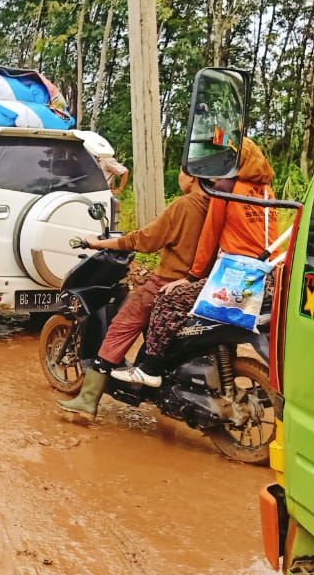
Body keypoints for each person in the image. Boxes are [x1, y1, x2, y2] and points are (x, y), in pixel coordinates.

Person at [114, 138, 279, 387]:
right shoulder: (265, 190)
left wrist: (192, 276)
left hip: (239, 280)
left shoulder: (225, 188)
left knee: (167, 299)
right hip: (268, 277)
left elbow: (210, 236)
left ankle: (151, 368)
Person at [56, 170, 210, 421]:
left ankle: (87, 400)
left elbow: (146, 240)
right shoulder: (219, 204)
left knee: (121, 325)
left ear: (192, 176)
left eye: (182, 171)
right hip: (204, 283)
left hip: (169, 282)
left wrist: (99, 243)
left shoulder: (185, 205)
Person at [82, 131, 130, 230]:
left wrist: (119, 189)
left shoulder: (106, 159)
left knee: (103, 223)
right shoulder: (86, 158)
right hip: (86, 192)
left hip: (102, 193)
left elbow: (124, 171)